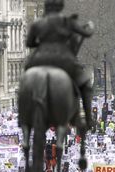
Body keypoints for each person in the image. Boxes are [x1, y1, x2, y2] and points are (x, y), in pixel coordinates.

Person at [25, 0, 94, 128]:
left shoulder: (37, 23)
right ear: (61, 7)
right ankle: (89, 119)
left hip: (39, 59)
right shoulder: (67, 22)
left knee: (26, 77)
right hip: (63, 59)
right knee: (85, 85)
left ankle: (24, 113)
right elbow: (87, 33)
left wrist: (42, 44)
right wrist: (90, 26)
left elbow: (29, 43)